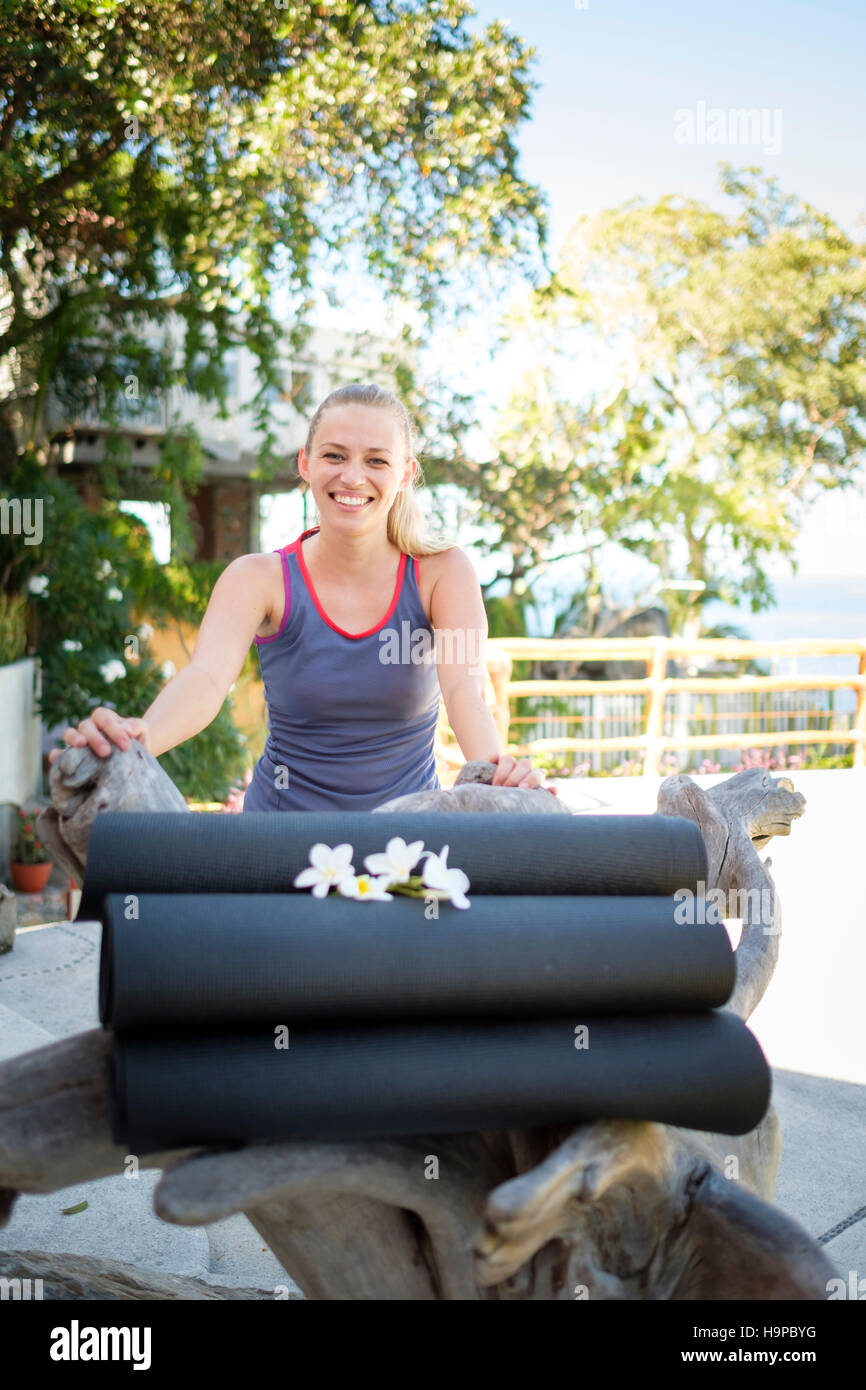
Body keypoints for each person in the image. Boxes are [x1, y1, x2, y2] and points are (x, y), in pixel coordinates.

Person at [49, 382, 557, 807]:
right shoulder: (258, 578)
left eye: (376, 460)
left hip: (406, 839)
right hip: (280, 836)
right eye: (335, 456)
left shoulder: (445, 573)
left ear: (404, 474)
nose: (352, 476)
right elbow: (205, 680)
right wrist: (140, 739)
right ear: (306, 463)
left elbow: (465, 687)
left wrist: (496, 778)